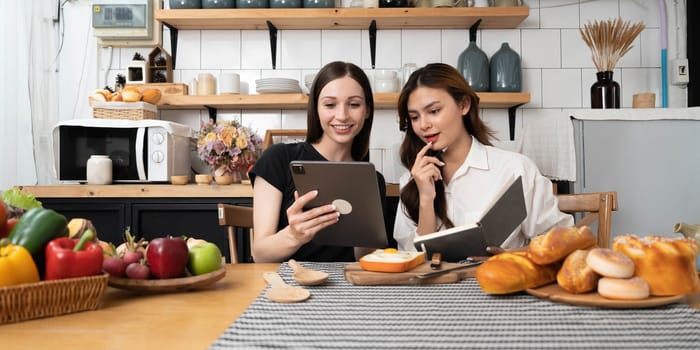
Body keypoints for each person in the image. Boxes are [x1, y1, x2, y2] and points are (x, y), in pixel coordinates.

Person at [393, 63, 573, 252]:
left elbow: (561, 240)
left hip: (502, 279)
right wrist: (426, 200)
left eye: (434, 111)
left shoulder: (514, 169)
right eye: (414, 117)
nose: (423, 125)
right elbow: (410, 260)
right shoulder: (412, 181)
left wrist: (508, 255)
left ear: (463, 105)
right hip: (439, 282)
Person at [248, 61, 384, 263]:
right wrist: (293, 236)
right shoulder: (278, 159)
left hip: (344, 288)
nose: (342, 115)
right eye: (330, 104)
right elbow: (260, 254)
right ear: (316, 109)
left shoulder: (371, 179)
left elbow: (364, 260)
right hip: (281, 286)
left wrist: (366, 233)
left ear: (367, 111)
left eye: (354, 104)